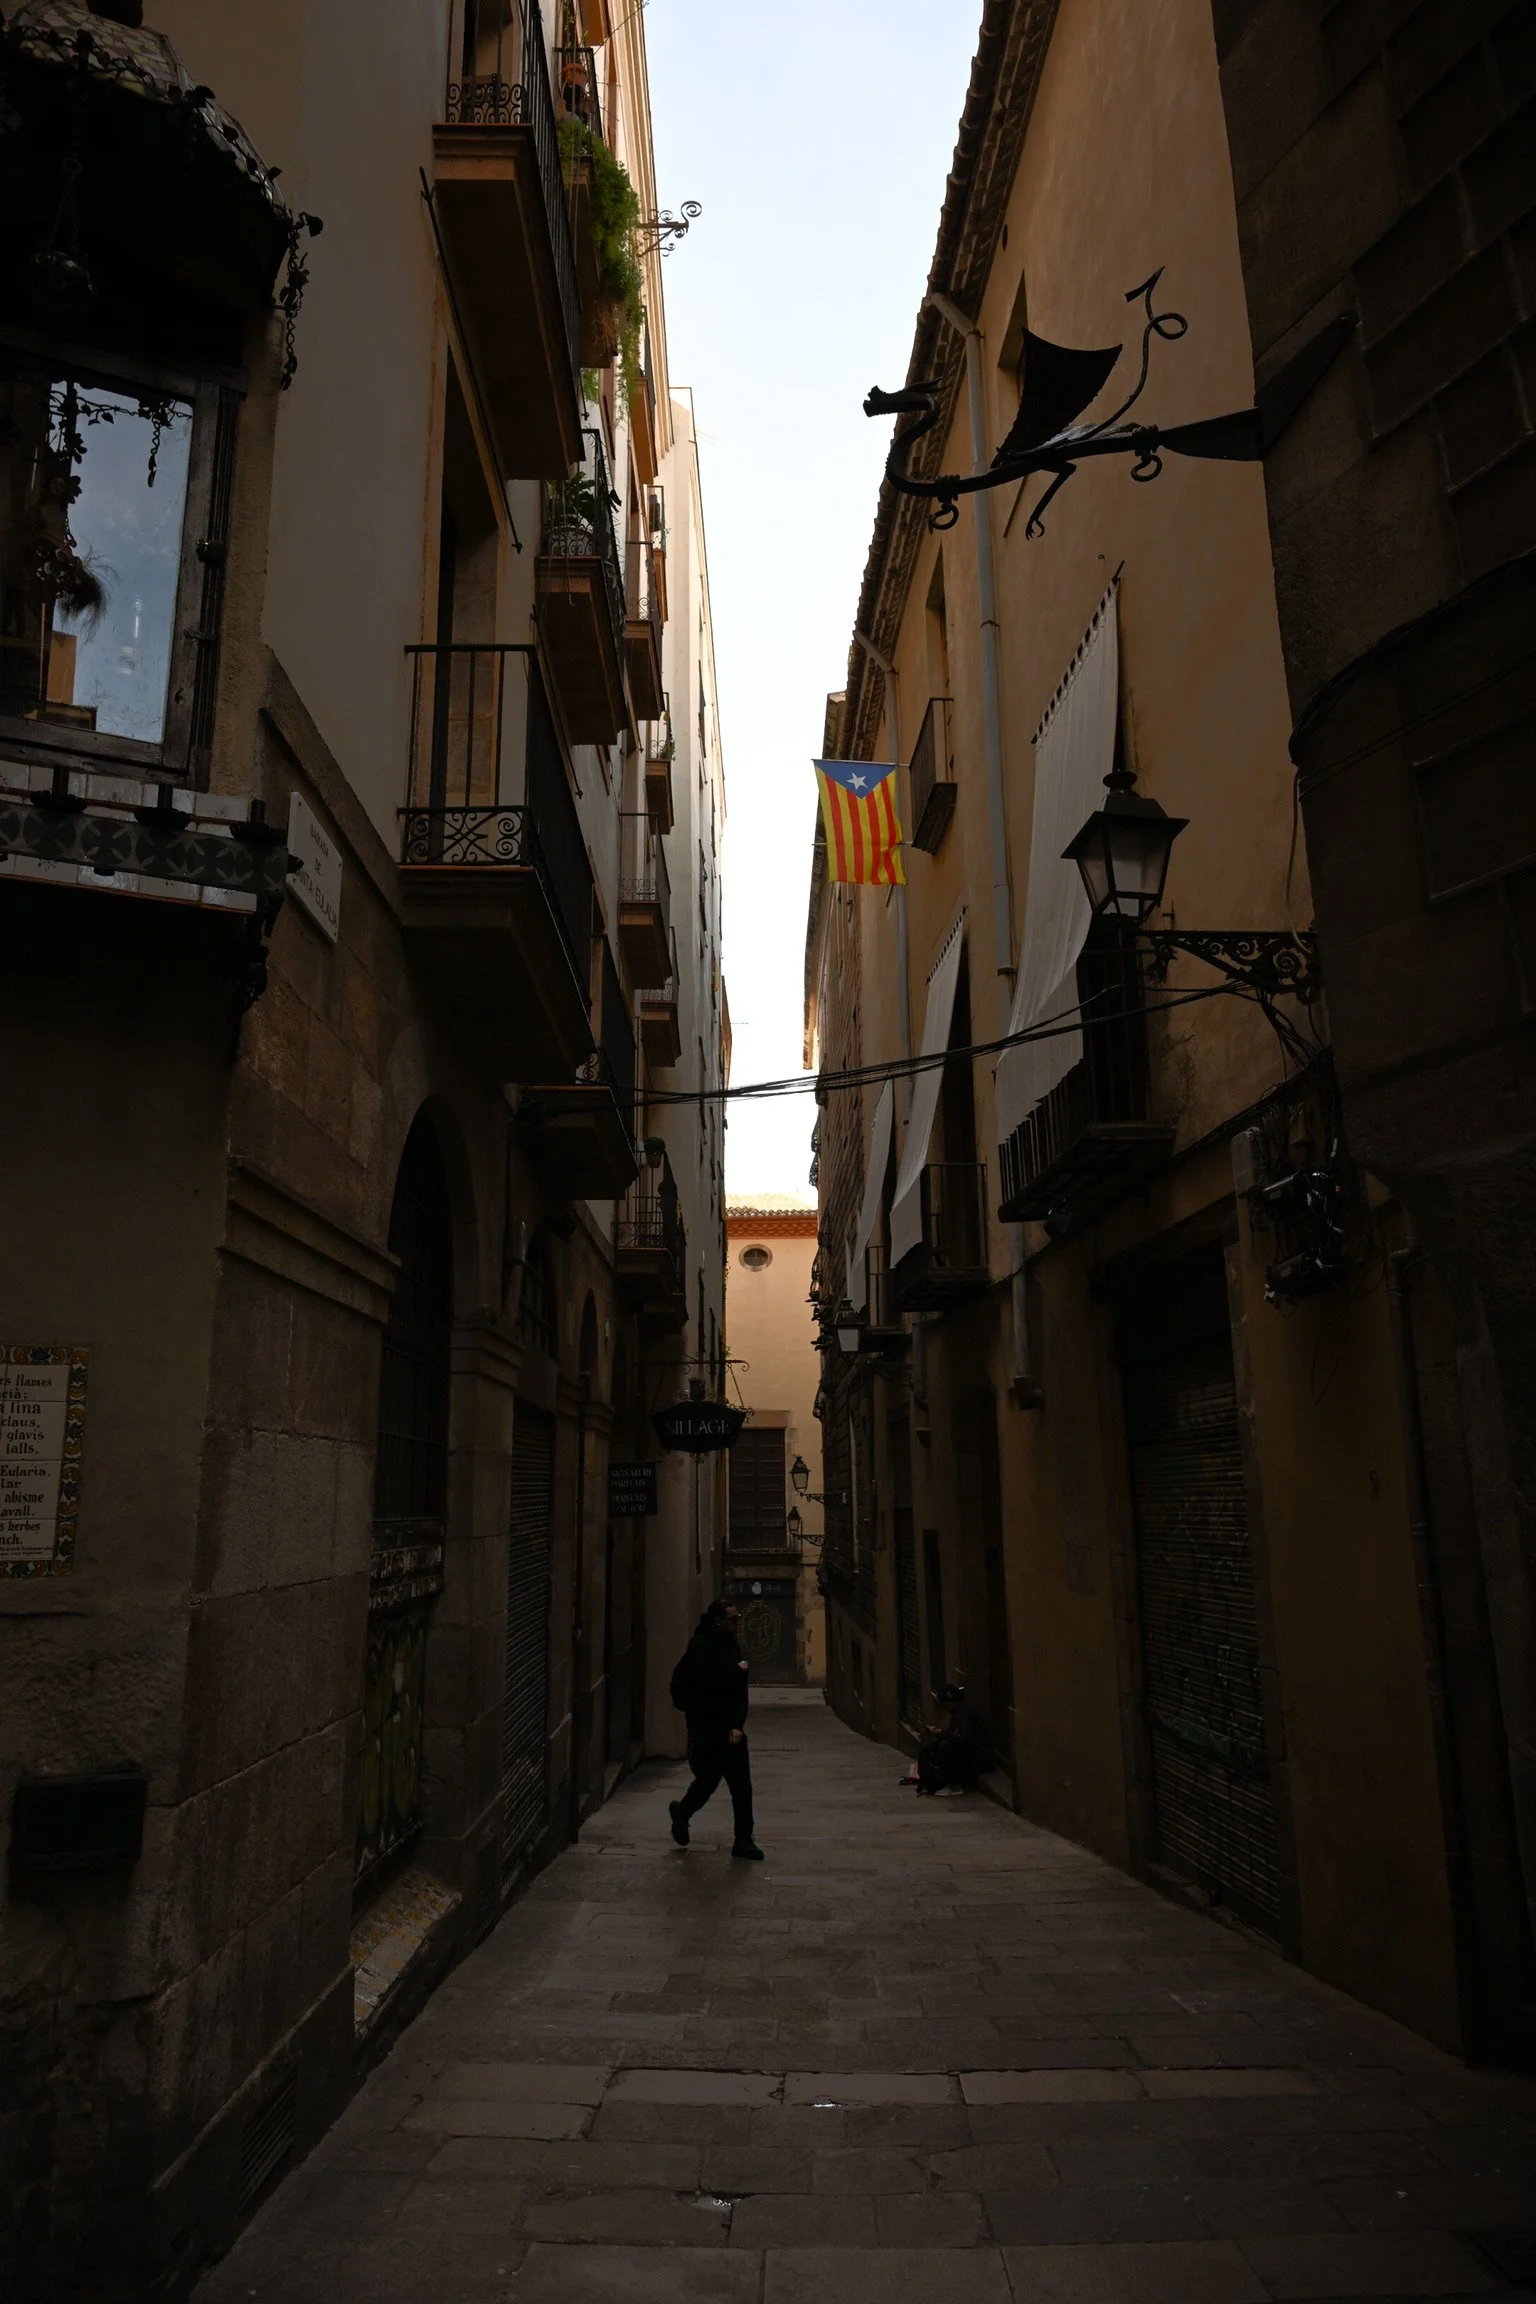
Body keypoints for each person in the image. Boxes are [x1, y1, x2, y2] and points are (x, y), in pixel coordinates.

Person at [667, 1599, 764, 1860]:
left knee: (741, 1786)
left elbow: (739, 1693)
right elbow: (710, 1683)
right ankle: (682, 1813)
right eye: (733, 1618)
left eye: (737, 1617)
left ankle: (743, 1840)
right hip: (706, 1730)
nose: (737, 1622)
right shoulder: (700, 1647)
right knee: (707, 1781)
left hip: (731, 1730)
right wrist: (736, 1671)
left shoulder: (731, 1644)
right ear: (717, 1621)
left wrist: (738, 1724)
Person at [916, 1683, 992, 1797]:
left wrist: (940, 1733)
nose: (943, 1708)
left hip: (979, 1757)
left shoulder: (964, 1714)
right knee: (936, 1747)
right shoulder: (959, 1713)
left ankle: (954, 1785)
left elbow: (961, 1739)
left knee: (946, 1747)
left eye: (943, 1705)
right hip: (972, 1753)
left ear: (949, 1702)